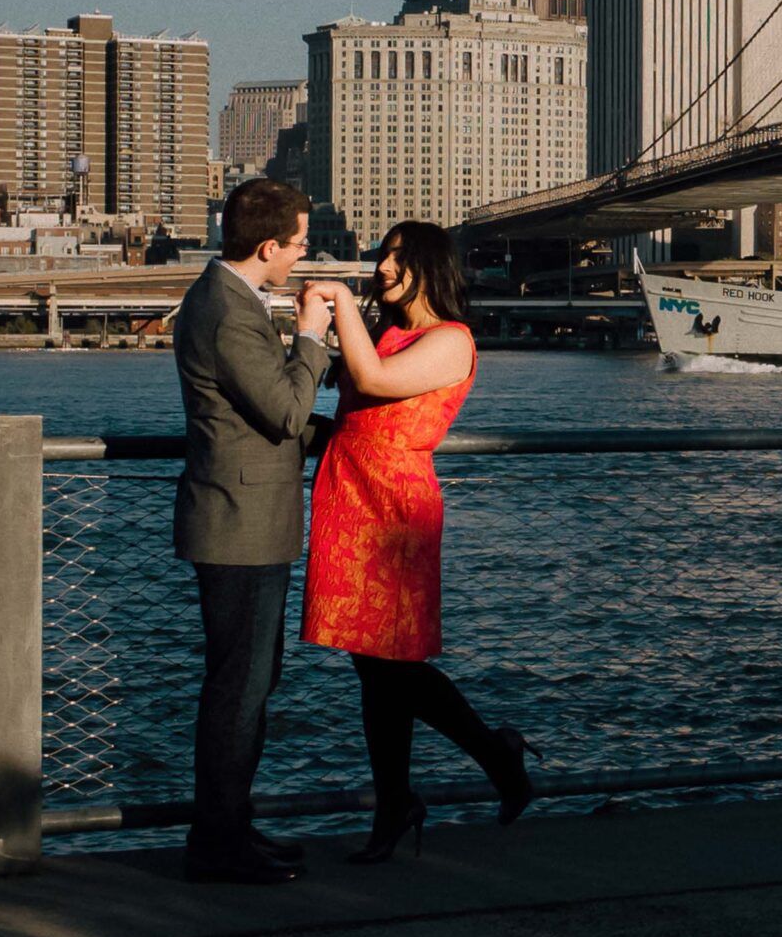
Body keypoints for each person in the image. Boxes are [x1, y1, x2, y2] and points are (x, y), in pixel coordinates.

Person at [302, 221, 536, 863]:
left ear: (431, 266)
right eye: (382, 255)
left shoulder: (451, 340)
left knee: (392, 664)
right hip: (348, 496)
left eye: (398, 257)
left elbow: (376, 382)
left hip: (394, 508)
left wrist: (340, 301)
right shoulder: (388, 333)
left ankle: (488, 758)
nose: (382, 267)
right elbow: (358, 404)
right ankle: (399, 800)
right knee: (371, 664)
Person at [172, 178, 336, 886]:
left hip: (247, 519)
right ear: (268, 247)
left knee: (250, 684)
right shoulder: (228, 313)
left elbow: (264, 414)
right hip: (238, 526)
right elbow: (285, 411)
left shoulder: (231, 299)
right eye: (298, 244)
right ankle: (216, 844)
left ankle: (231, 827)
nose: (302, 256)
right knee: (238, 691)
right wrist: (311, 335)